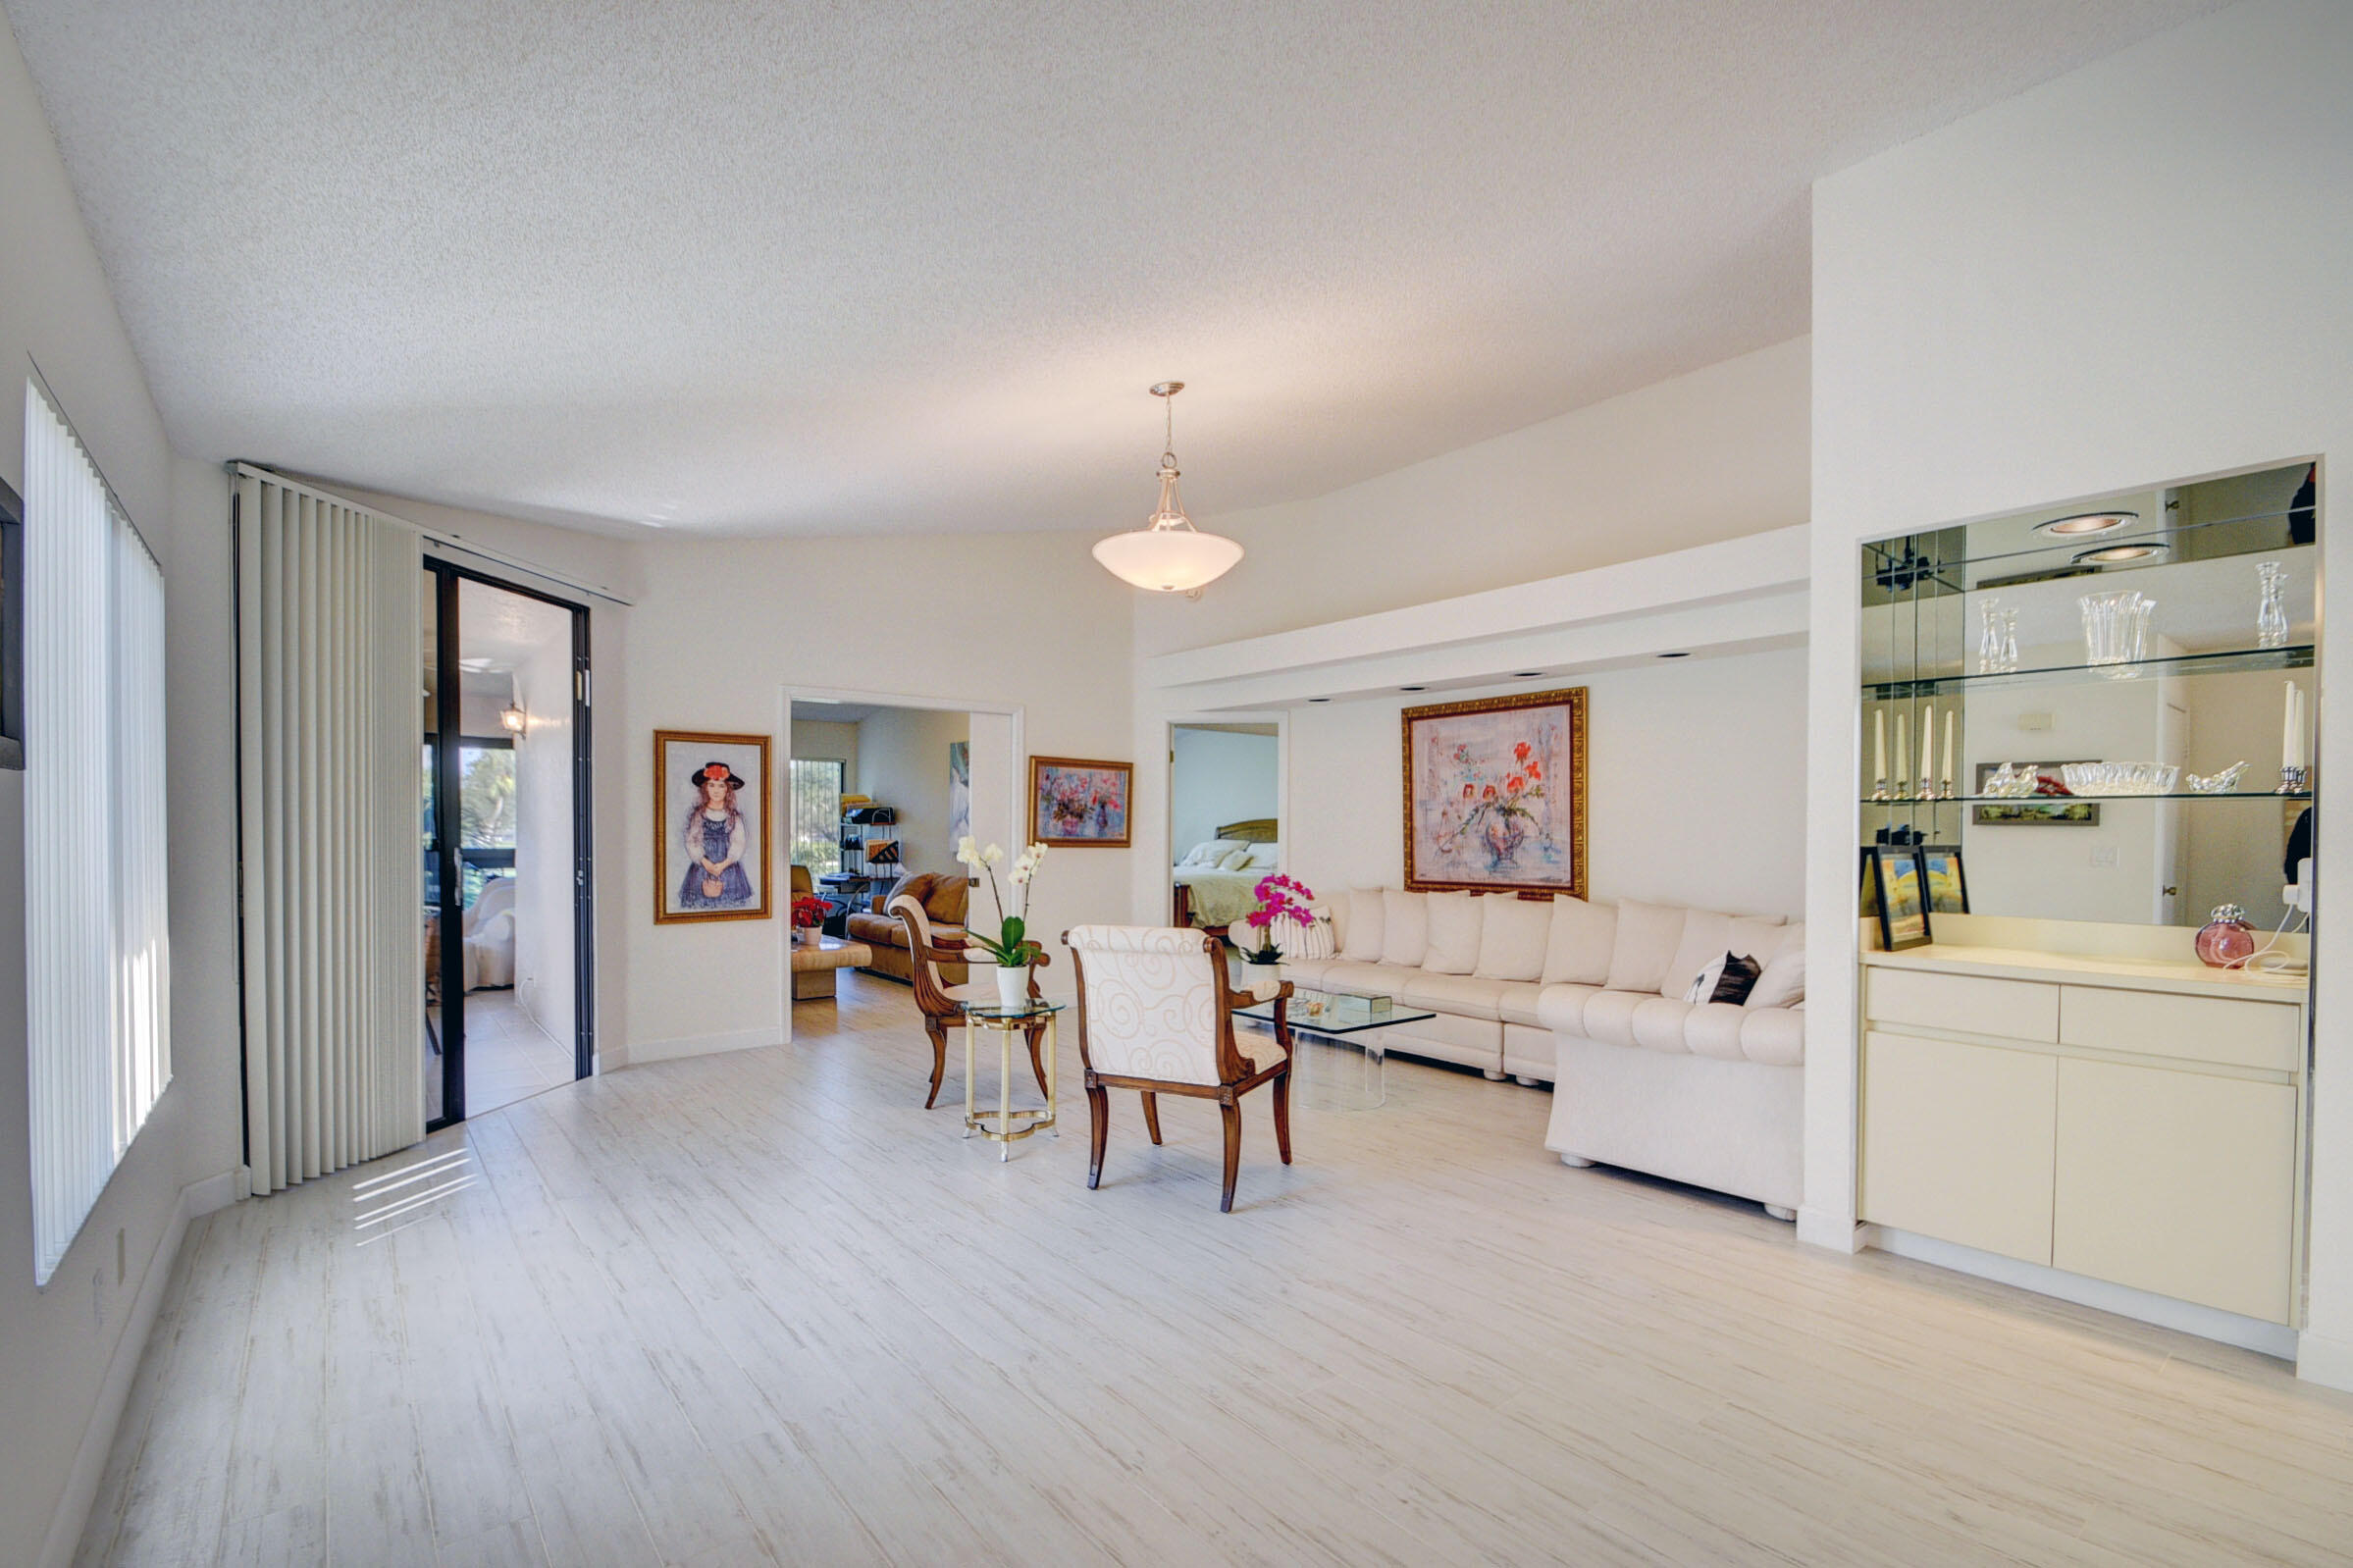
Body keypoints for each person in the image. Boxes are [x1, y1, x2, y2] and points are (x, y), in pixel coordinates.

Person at [679, 760, 754, 909]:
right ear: (705, 788)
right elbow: (692, 841)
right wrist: (706, 864)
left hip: (729, 870)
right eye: (711, 785)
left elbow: (739, 843)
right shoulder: (698, 815)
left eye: (721, 786)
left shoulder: (734, 817)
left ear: (727, 790)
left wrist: (723, 865)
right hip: (702, 869)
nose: (716, 790)